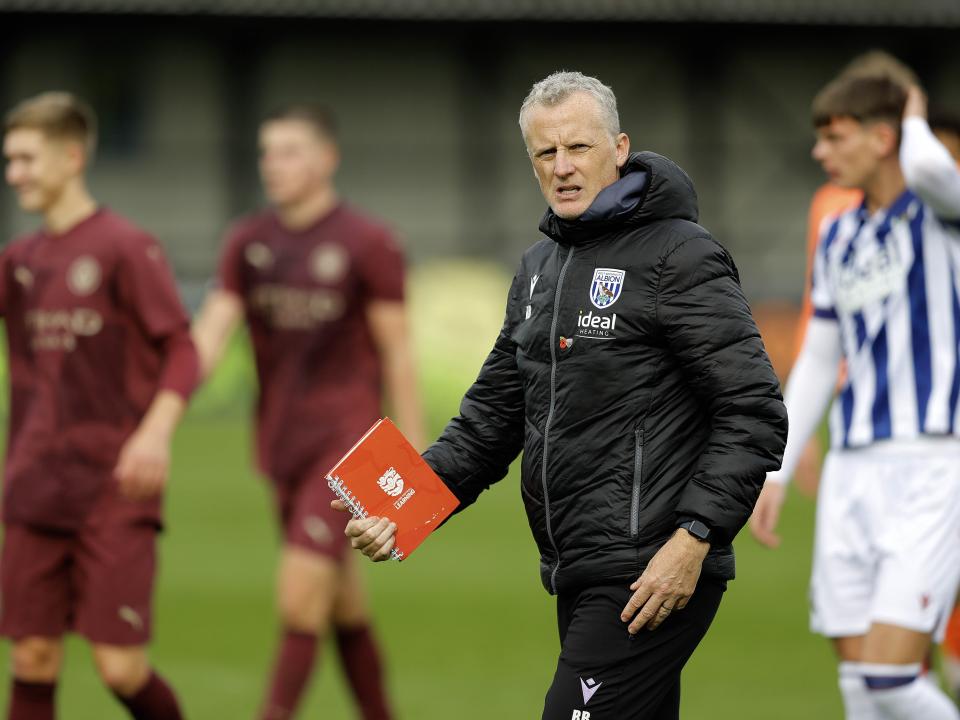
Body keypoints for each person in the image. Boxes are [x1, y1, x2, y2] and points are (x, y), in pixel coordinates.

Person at [337, 71, 788, 719]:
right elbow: (491, 420)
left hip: (650, 570)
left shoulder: (679, 256)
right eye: (545, 154)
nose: (563, 167)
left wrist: (694, 539)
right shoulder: (538, 270)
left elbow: (753, 411)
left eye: (578, 148)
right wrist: (395, 507)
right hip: (578, 567)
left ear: (620, 147)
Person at [191, 104, 423, 720]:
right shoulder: (248, 240)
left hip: (346, 446)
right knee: (340, 603)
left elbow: (398, 351)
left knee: (298, 601)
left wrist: (422, 458)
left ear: (327, 159)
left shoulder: (367, 242)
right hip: (280, 447)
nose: (274, 164)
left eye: (290, 150)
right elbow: (211, 334)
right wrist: (159, 400)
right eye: (267, 151)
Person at [749, 73, 960, 719]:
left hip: (930, 465)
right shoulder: (841, 235)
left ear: (883, 137)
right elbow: (818, 359)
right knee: (858, 682)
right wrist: (777, 466)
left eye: (835, 137)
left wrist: (915, 115)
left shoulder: (942, 211)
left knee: (892, 679)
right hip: (852, 469)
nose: (820, 153)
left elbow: (927, 167)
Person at [0, 92, 198, 720]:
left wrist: (154, 434)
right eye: (10, 161)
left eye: (27, 159)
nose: (15, 175)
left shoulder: (124, 247)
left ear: (71, 156)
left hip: (114, 485)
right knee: (31, 658)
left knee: (119, 669)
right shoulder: (18, 262)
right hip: (33, 486)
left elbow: (182, 351)